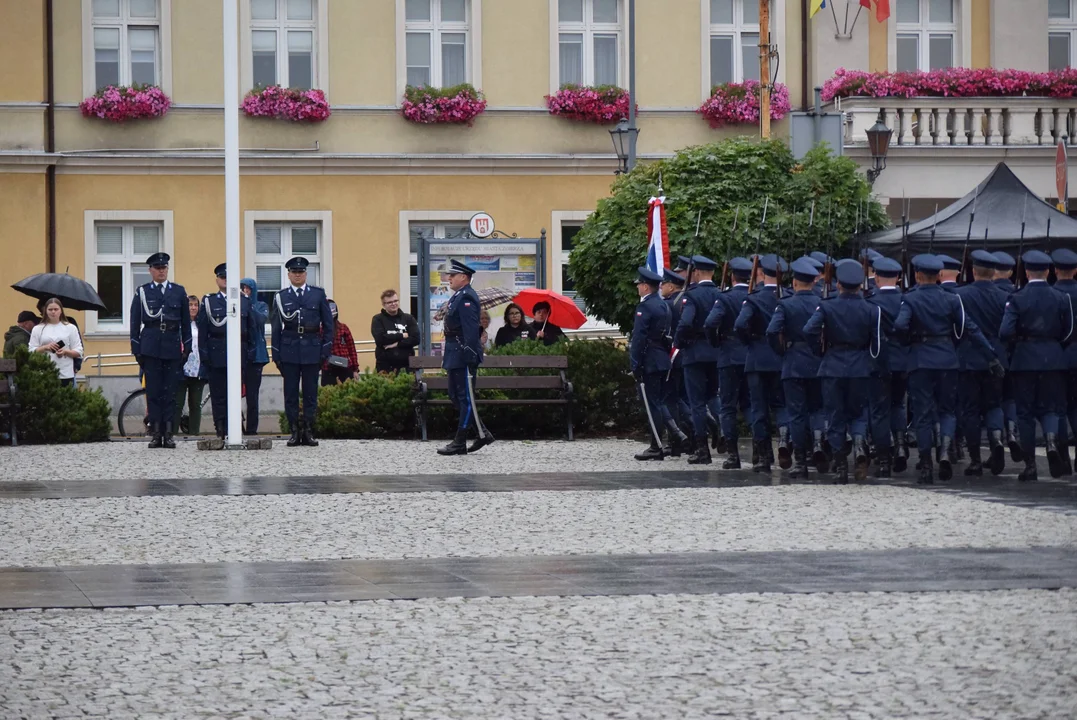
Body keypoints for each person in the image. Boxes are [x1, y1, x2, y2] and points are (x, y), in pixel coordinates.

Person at [894, 254, 1001, 484]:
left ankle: (925, 464)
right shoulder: (951, 299)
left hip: (920, 359)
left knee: (923, 415)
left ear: (917, 275)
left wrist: (909, 340)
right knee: (948, 411)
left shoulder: (910, 299)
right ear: (939, 276)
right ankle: (944, 451)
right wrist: (990, 355)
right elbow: (968, 327)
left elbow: (900, 325)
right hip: (947, 359)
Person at [802, 262, 882, 483]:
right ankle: (859, 446)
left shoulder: (827, 306)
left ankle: (840, 467)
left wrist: (820, 351)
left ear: (838, 284)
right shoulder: (871, 308)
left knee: (835, 415)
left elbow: (809, 330)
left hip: (833, 365)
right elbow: (876, 343)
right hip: (860, 366)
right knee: (858, 412)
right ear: (860, 285)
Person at [999, 250, 1075, 481]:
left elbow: (1005, 331)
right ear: (1048, 271)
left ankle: (1030, 465)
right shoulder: (1061, 297)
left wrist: (1021, 342)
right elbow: (1069, 330)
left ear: (1026, 271)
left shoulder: (1017, 297)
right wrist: (1053, 345)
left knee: (1025, 414)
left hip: (1024, 360)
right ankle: (1051, 442)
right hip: (1053, 358)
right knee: (1052, 408)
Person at [954, 250, 1010, 477]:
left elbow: (958, 328)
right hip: (996, 357)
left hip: (969, 357)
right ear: (993, 272)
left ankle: (975, 460)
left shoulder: (961, 295)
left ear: (973, 271)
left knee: (970, 410)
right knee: (994, 404)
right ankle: (996, 439)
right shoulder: (1004, 295)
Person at [766, 258, 822, 479]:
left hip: (793, 362)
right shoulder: (821, 302)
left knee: (796, 414)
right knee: (818, 409)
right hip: (817, 362)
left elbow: (772, 331)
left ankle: (800, 461)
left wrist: (782, 350)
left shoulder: (786, 304)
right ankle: (817, 446)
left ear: (796, 282)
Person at [735, 254, 790, 472]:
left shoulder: (754, 298)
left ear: (762, 274)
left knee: (759, 409)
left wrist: (749, 341)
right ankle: (785, 440)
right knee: (781, 405)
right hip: (780, 358)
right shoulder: (787, 296)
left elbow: (740, 324)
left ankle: (765, 457)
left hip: (757, 358)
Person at [130, 252, 191, 449]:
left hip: (172, 346)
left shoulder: (178, 292)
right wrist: (136, 349)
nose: (161, 271)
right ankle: (156, 433)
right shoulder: (143, 292)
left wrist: (187, 346)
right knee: (154, 392)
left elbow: (185, 323)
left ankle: (169, 432)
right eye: (157, 268)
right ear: (150, 271)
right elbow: (134, 322)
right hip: (150, 346)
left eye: (164, 267)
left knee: (171, 393)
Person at [271, 256, 334, 447]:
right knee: (290, 393)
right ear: (288, 275)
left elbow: (328, 325)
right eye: (294, 272)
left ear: (306, 274)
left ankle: (308, 431)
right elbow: (275, 327)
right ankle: (293, 431)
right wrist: (276, 353)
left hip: (311, 348)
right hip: (289, 349)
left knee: (310, 393)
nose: (297, 275)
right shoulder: (281, 297)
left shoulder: (317, 294)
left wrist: (325, 349)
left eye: (301, 272)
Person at [436, 260, 493, 455]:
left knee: (464, 397)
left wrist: (469, 354)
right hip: (455, 351)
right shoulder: (459, 296)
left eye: (453, 275)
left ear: (464, 277)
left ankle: (460, 442)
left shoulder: (467, 297)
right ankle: (482, 432)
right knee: (455, 395)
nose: (449, 278)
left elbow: (470, 329)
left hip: (462, 352)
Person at [197, 263, 258, 440]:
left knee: (236, 393)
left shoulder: (243, 300)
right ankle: (220, 427)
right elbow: (203, 331)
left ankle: (234, 426)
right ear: (217, 279)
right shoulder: (209, 301)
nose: (225, 280)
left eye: (228, 277)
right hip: (216, 353)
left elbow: (251, 329)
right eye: (222, 277)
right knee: (218, 394)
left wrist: (251, 352)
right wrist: (204, 354)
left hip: (240, 352)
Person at [630, 267, 683, 461]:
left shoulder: (645, 307)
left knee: (652, 405)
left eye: (639, 285)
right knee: (659, 402)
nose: (638, 288)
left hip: (649, 361)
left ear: (645, 286)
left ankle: (656, 446)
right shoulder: (663, 305)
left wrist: (635, 363)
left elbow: (639, 338)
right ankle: (676, 433)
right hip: (662, 359)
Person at [705, 257, 753, 469]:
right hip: (750, 355)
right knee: (751, 405)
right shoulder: (754, 296)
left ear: (732, 277)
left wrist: (716, 342)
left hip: (729, 355)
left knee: (728, 406)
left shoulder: (725, 298)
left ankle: (733, 455)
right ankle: (761, 452)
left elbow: (710, 323)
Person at [674, 254, 722, 465]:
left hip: (694, 353)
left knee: (697, 402)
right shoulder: (721, 294)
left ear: (698, 272)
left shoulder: (692, 296)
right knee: (714, 395)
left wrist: (680, 342)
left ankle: (703, 449)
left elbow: (685, 323)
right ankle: (724, 434)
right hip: (716, 352)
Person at [865, 257, 909, 476]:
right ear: (898, 278)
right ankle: (900, 445)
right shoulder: (905, 300)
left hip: (878, 361)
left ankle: (884, 459)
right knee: (898, 405)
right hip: (903, 361)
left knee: (879, 411)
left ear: (877, 277)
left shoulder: (872, 302)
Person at [1051, 248, 1077, 476]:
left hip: (1058, 356)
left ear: (1056, 270)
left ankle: (1062, 460)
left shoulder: (1053, 295)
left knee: (1059, 409)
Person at [659, 269, 690, 457]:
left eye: (664, 284)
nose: (661, 287)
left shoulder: (669, 305)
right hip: (688, 356)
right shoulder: (687, 301)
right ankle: (694, 435)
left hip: (673, 356)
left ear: (671, 286)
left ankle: (675, 440)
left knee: (670, 399)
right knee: (685, 398)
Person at [28, 298, 83, 387]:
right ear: (45, 311)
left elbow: (79, 351)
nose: (53, 312)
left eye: (56, 309)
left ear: (61, 310)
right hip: (43, 373)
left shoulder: (70, 328)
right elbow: (30, 351)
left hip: (65, 373)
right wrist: (45, 347)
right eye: (50, 309)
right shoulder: (37, 329)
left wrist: (65, 352)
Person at [240, 277, 269, 435]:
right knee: (234, 394)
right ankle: (236, 426)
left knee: (252, 395)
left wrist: (248, 303)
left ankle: (252, 429)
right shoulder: (236, 306)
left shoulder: (260, 305)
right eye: (242, 288)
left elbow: (259, 320)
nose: (245, 291)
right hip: (240, 354)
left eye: (248, 288)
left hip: (256, 357)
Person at [174, 295, 205, 435]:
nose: (193, 308)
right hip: (182, 367)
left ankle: (194, 433)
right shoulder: (180, 323)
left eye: (195, 305)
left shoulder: (202, 324)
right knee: (177, 403)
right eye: (190, 305)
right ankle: (172, 433)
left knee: (195, 404)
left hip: (197, 369)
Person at [371, 289, 420, 373]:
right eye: (389, 302)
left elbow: (416, 339)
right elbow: (380, 339)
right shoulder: (378, 319)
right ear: (383, 305)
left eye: (395, 301)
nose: (393, 304)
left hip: (406, 366)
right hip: (385, 367)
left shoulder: (409, 318)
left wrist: (397, 344)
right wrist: (402, 336)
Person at [322, 299, 358, 385]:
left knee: (348, 395)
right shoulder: (320, 330)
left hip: (345, 368)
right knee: (328, 396)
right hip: (328, 369)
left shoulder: (343, 328)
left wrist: (355, 369)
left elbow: (351, 349)